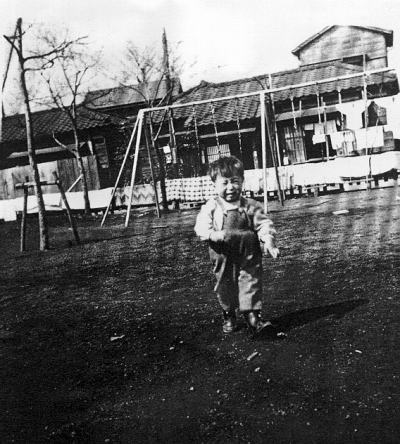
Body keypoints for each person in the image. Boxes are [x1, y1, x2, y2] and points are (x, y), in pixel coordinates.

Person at [194, 155, 279, 334]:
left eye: (235, 181)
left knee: (251, 279)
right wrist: (212, 234)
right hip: (222, 252)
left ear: (242, 181)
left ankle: (253, 317)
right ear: (214, 184)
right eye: (224, 183)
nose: (231, 187)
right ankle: (229, 312)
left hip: (249, 250)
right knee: (226, 283)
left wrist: (268, 240)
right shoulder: (212, 207)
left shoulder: (250, 205)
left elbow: (264, 224)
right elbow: (201, 226)